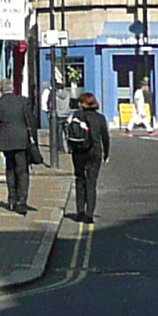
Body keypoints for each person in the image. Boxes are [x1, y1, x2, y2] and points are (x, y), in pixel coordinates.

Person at [0, 81, 41, 215]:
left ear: (2, 90)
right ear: (13, 89)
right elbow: (30, 121)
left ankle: (12, 199)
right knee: (22, 171)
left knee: (10, 169)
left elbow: (0, 118)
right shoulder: (22, 101)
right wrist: (34, 139)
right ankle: (22, 200)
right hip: (21, 139)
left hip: (6, 139)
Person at [62, 90, 111, 223]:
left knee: (80, 180)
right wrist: (106, 154)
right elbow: (105, 137)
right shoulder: (100, 118)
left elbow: (68, 131)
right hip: (95, 151)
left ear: (82, 103)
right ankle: (89, 215)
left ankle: (80, 212)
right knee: (91, 182)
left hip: (79, 151)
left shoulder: (76, 115)